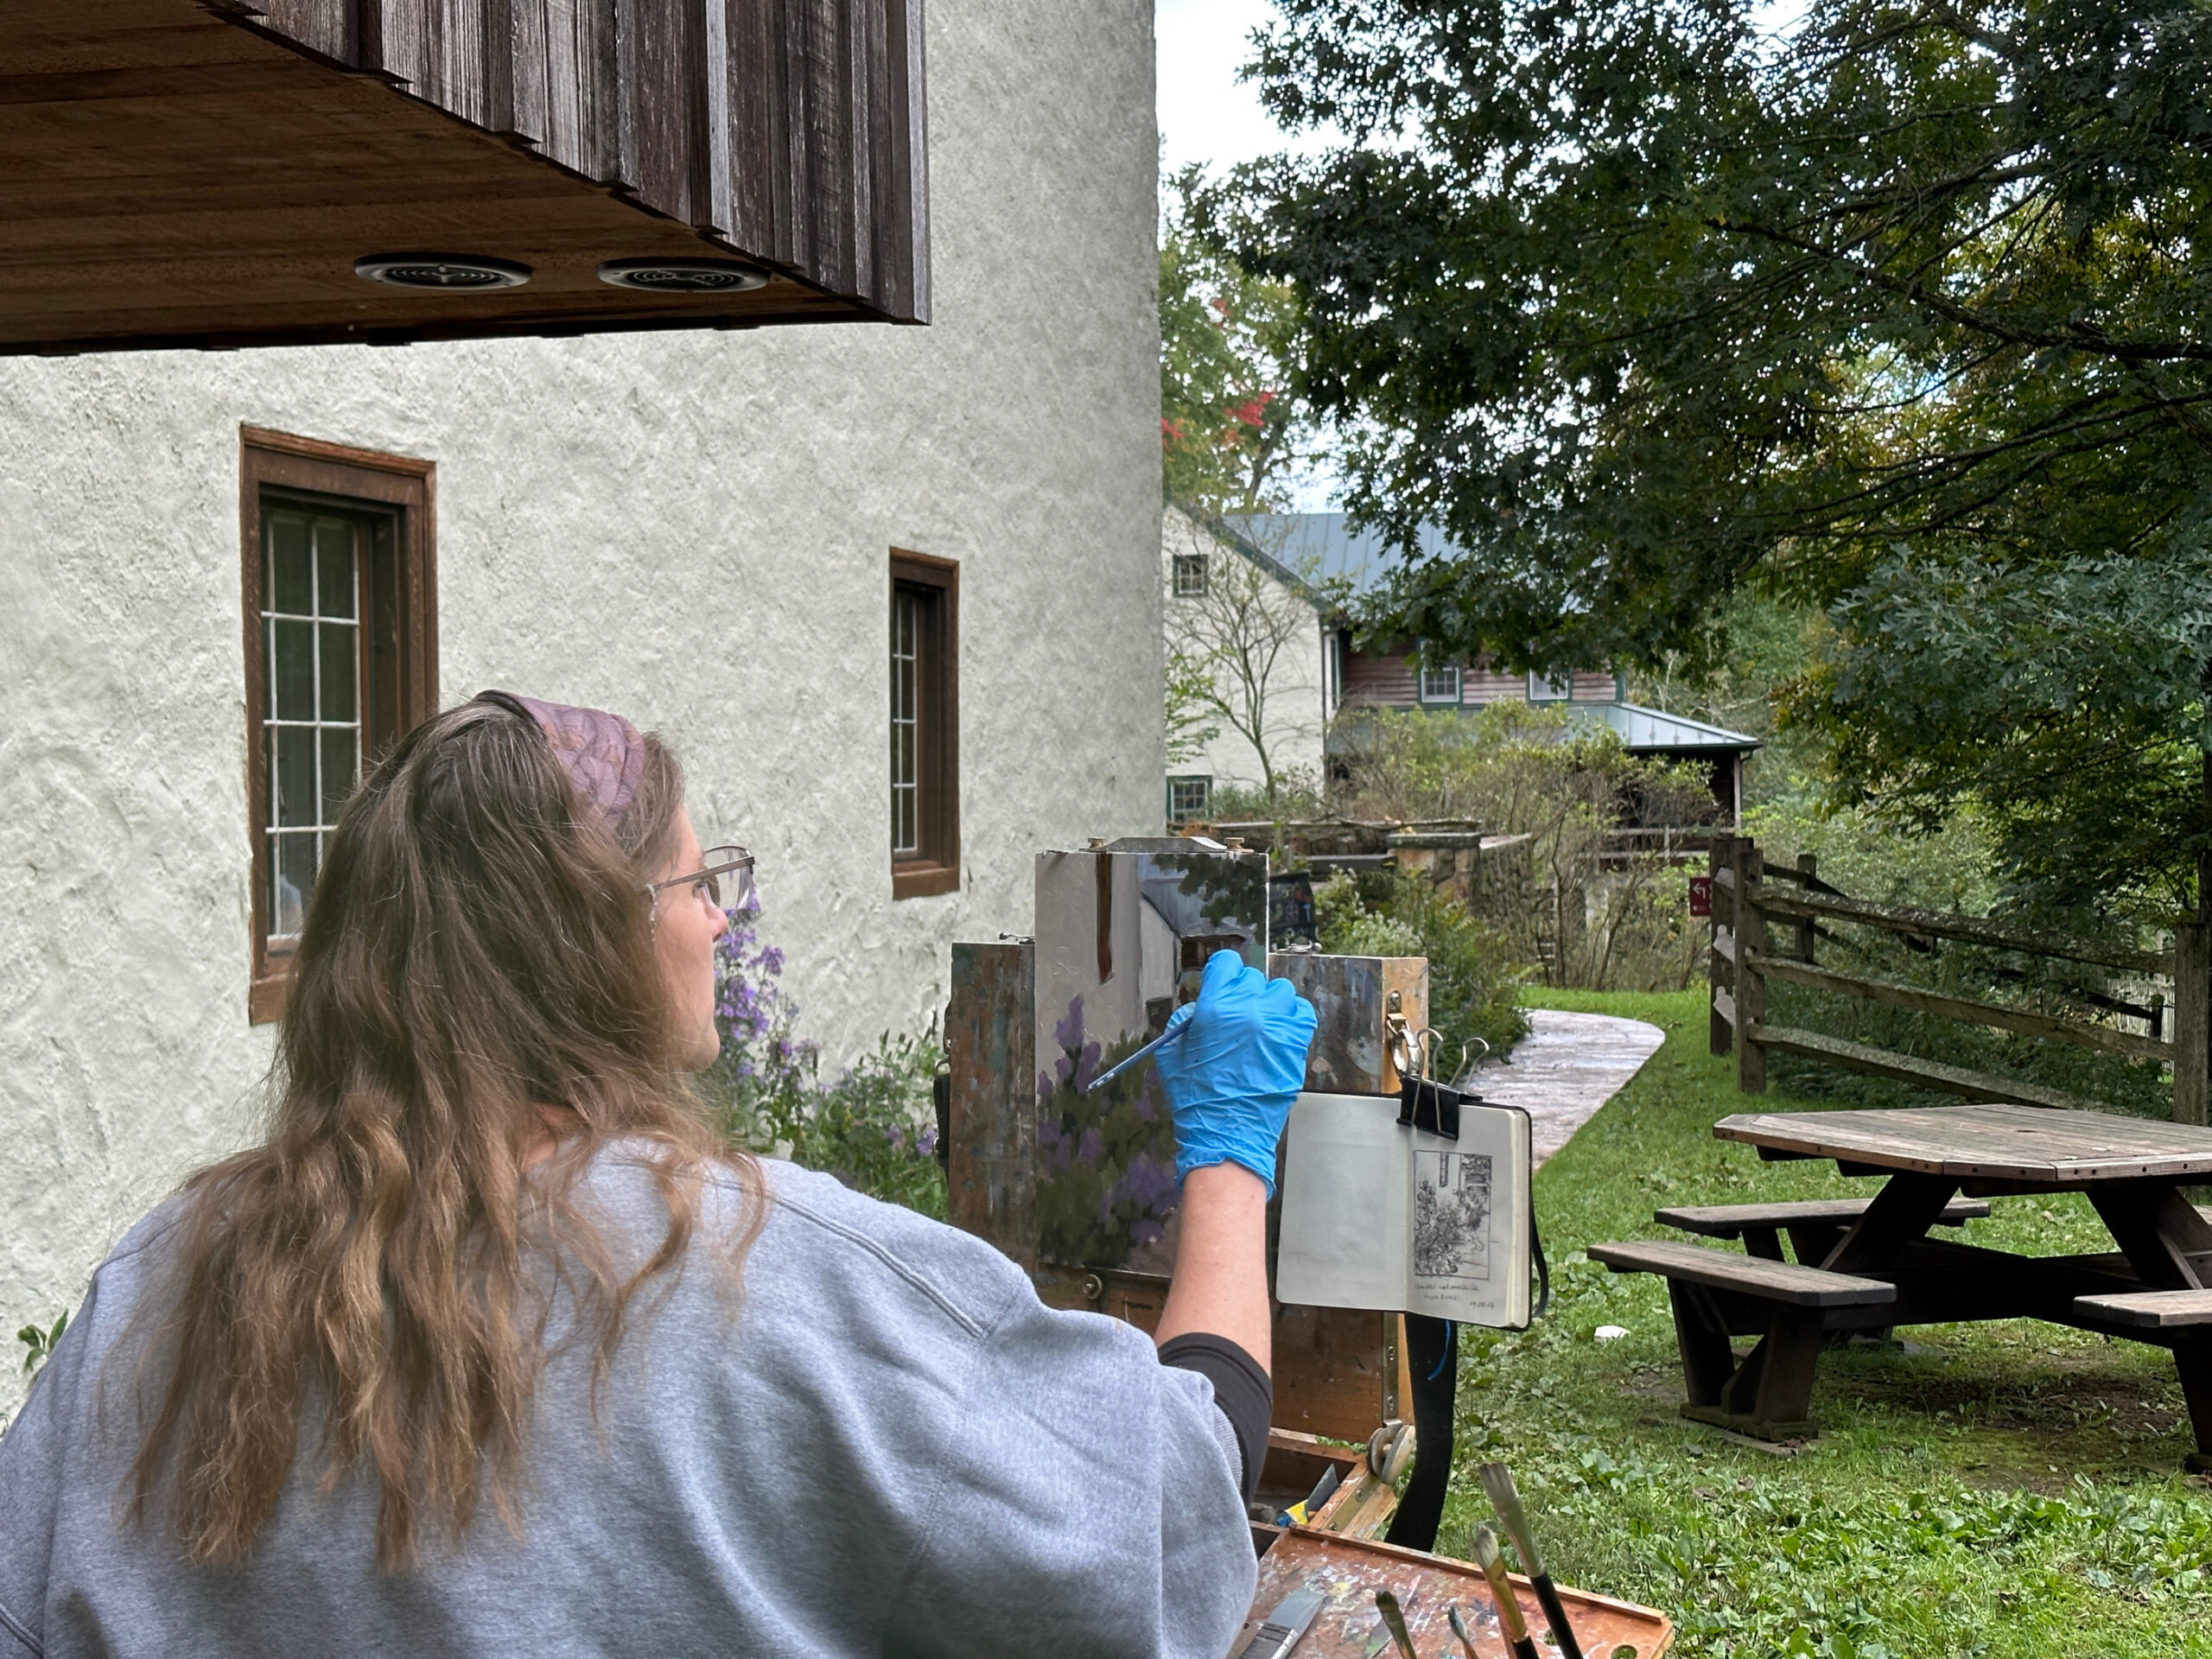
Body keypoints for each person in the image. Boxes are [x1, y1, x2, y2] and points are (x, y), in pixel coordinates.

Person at [0, 692, 1316, 1659]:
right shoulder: (768, 1276)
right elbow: (1173, 1515)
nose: (720, 921)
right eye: (700, 882)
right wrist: (1231, 1153)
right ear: (606, 941)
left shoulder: (158, 1278)